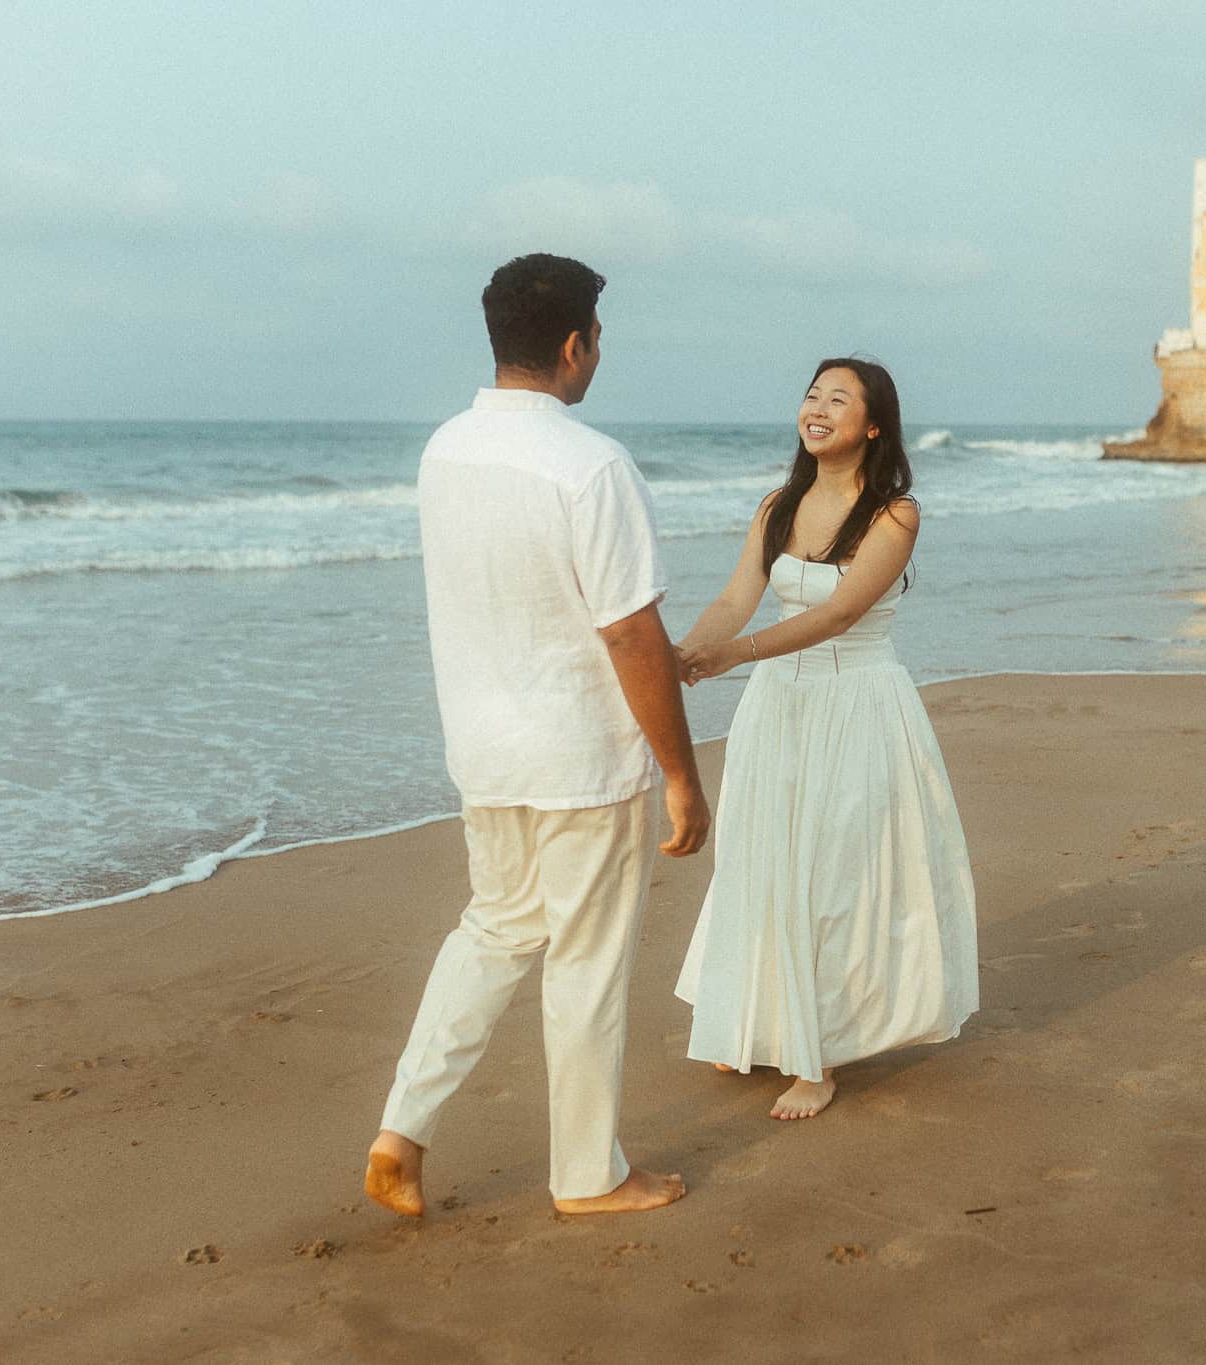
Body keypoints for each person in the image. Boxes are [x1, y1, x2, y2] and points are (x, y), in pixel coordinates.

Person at [364, 253, 709, 1218]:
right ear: (573, 345)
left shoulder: (446, 449)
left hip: (485, 747)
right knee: (586, 960)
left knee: (493, 929)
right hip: (580, 756)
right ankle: (588, 1174)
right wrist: (681, 773)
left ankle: (402, 1127)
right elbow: (631, 633)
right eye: (596, 340)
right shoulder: (591, 464)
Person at [672, 358, 978, 1120]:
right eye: (811, 395)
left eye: (838, 399)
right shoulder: (779, 503)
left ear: (873, 425)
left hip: (858, 704)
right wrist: (687, 653)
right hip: (780, 705)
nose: (817, 409)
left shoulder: (894, 514)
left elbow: (841, 613)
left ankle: (821, 1055)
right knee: (765, 860)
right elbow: (737, 595)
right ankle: (756, 1019)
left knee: (835, 874)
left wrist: (736, 654)